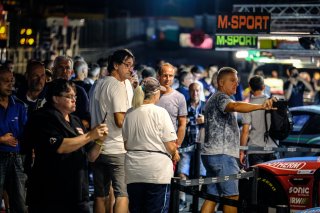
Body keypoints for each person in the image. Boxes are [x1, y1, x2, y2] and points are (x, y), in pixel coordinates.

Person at [24, 79, 108, 213]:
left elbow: (91, 157)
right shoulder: (43, 118)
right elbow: (60, 146)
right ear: (56, 98)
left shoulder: (75, 120)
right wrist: (90, 135)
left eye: (75, 96)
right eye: (69, 96)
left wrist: (99, 141)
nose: (74, 100)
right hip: (51, 193)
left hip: (78, 192)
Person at [201, 67, 275, 213]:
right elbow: (235, 106)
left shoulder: (214, 98)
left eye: (237, 81)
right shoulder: (221, 98)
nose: (236, 84)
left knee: (212, 197)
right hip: (222, 156)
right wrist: (261, 105)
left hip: (212, 155)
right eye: (232, 80)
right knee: (232, 197)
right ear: (221, 82)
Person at [122, 77, 179, 213]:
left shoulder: (130, 113)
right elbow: (170, 145)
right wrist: (175, 154)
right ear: (156, 93)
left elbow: (126, 144)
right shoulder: (160, 112)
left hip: (134, 170)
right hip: (156, 172)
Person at [90, 49, 134, 213]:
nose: (131, 69)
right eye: (127, 65)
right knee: (122, 195)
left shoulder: (97, 84)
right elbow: (119, 120)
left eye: (132, 66)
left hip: (97, 148)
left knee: (100, 196)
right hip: (116, 149)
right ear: (115, 65)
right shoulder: (116, 85)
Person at [0, 67, 28, 213]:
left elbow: (26, 132)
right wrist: (1, 139)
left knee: (20, 204)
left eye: (11, 81)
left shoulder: (18, 105)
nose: (10, 85)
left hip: (16, 159)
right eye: (5, 81)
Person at [177, 83, 206, 211]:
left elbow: (214, 123)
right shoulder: (184, 105)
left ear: (201, 91)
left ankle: (196, 200)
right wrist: (182, 122)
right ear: (189, 91)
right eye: (193, 91)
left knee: (200, 174)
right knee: (182, 172)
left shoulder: (206, 106)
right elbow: (177, 122)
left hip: (201, 145)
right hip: (186, 144)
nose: (195, 93)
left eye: (197, 91)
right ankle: (182, 200)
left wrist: (206, 120)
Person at [240, 76, 277, 167]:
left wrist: (241, 151)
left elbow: (245, 131)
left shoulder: (248, 106)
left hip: (255, 149)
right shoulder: (273, 102)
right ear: (264, 87)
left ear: (250, 87)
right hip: (272, 148)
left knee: (257, 179)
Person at [51, 55, 91, 129]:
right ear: (53, 70)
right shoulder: (46, 89)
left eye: (67, 68)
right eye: (60, 68)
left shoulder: (79, 91)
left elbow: (87, 121)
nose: (64, 71)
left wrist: (69, 127)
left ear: (71, 72)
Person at [157, 63, 187, 148]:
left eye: (171, 76)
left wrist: (177, 145)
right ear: (158, 76)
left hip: (170, 143)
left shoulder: (179, 97)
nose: (168, 79)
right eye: (165, 75)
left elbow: (182, 123)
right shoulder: (151, 95)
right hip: (152, 143)